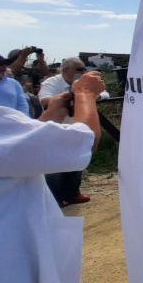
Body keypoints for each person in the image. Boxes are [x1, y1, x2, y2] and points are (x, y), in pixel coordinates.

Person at [0, 71, 105, 283]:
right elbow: (80, 143)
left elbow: (2, 153)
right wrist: (85, 94)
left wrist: (48, 120)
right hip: (0, 275)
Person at [39, 58, 110, 206]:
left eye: (84, 68)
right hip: (56, 127)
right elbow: (44, 100)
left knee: (77, 162)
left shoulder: (84, 81)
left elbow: (105, 94)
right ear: (65, 70)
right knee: (54, 167)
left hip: (76, 124)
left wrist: (86, 94)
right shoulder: (52, 82)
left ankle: (73, 194)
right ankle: (55, 198)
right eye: (79, 69)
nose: (83, 71)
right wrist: (76, 96)